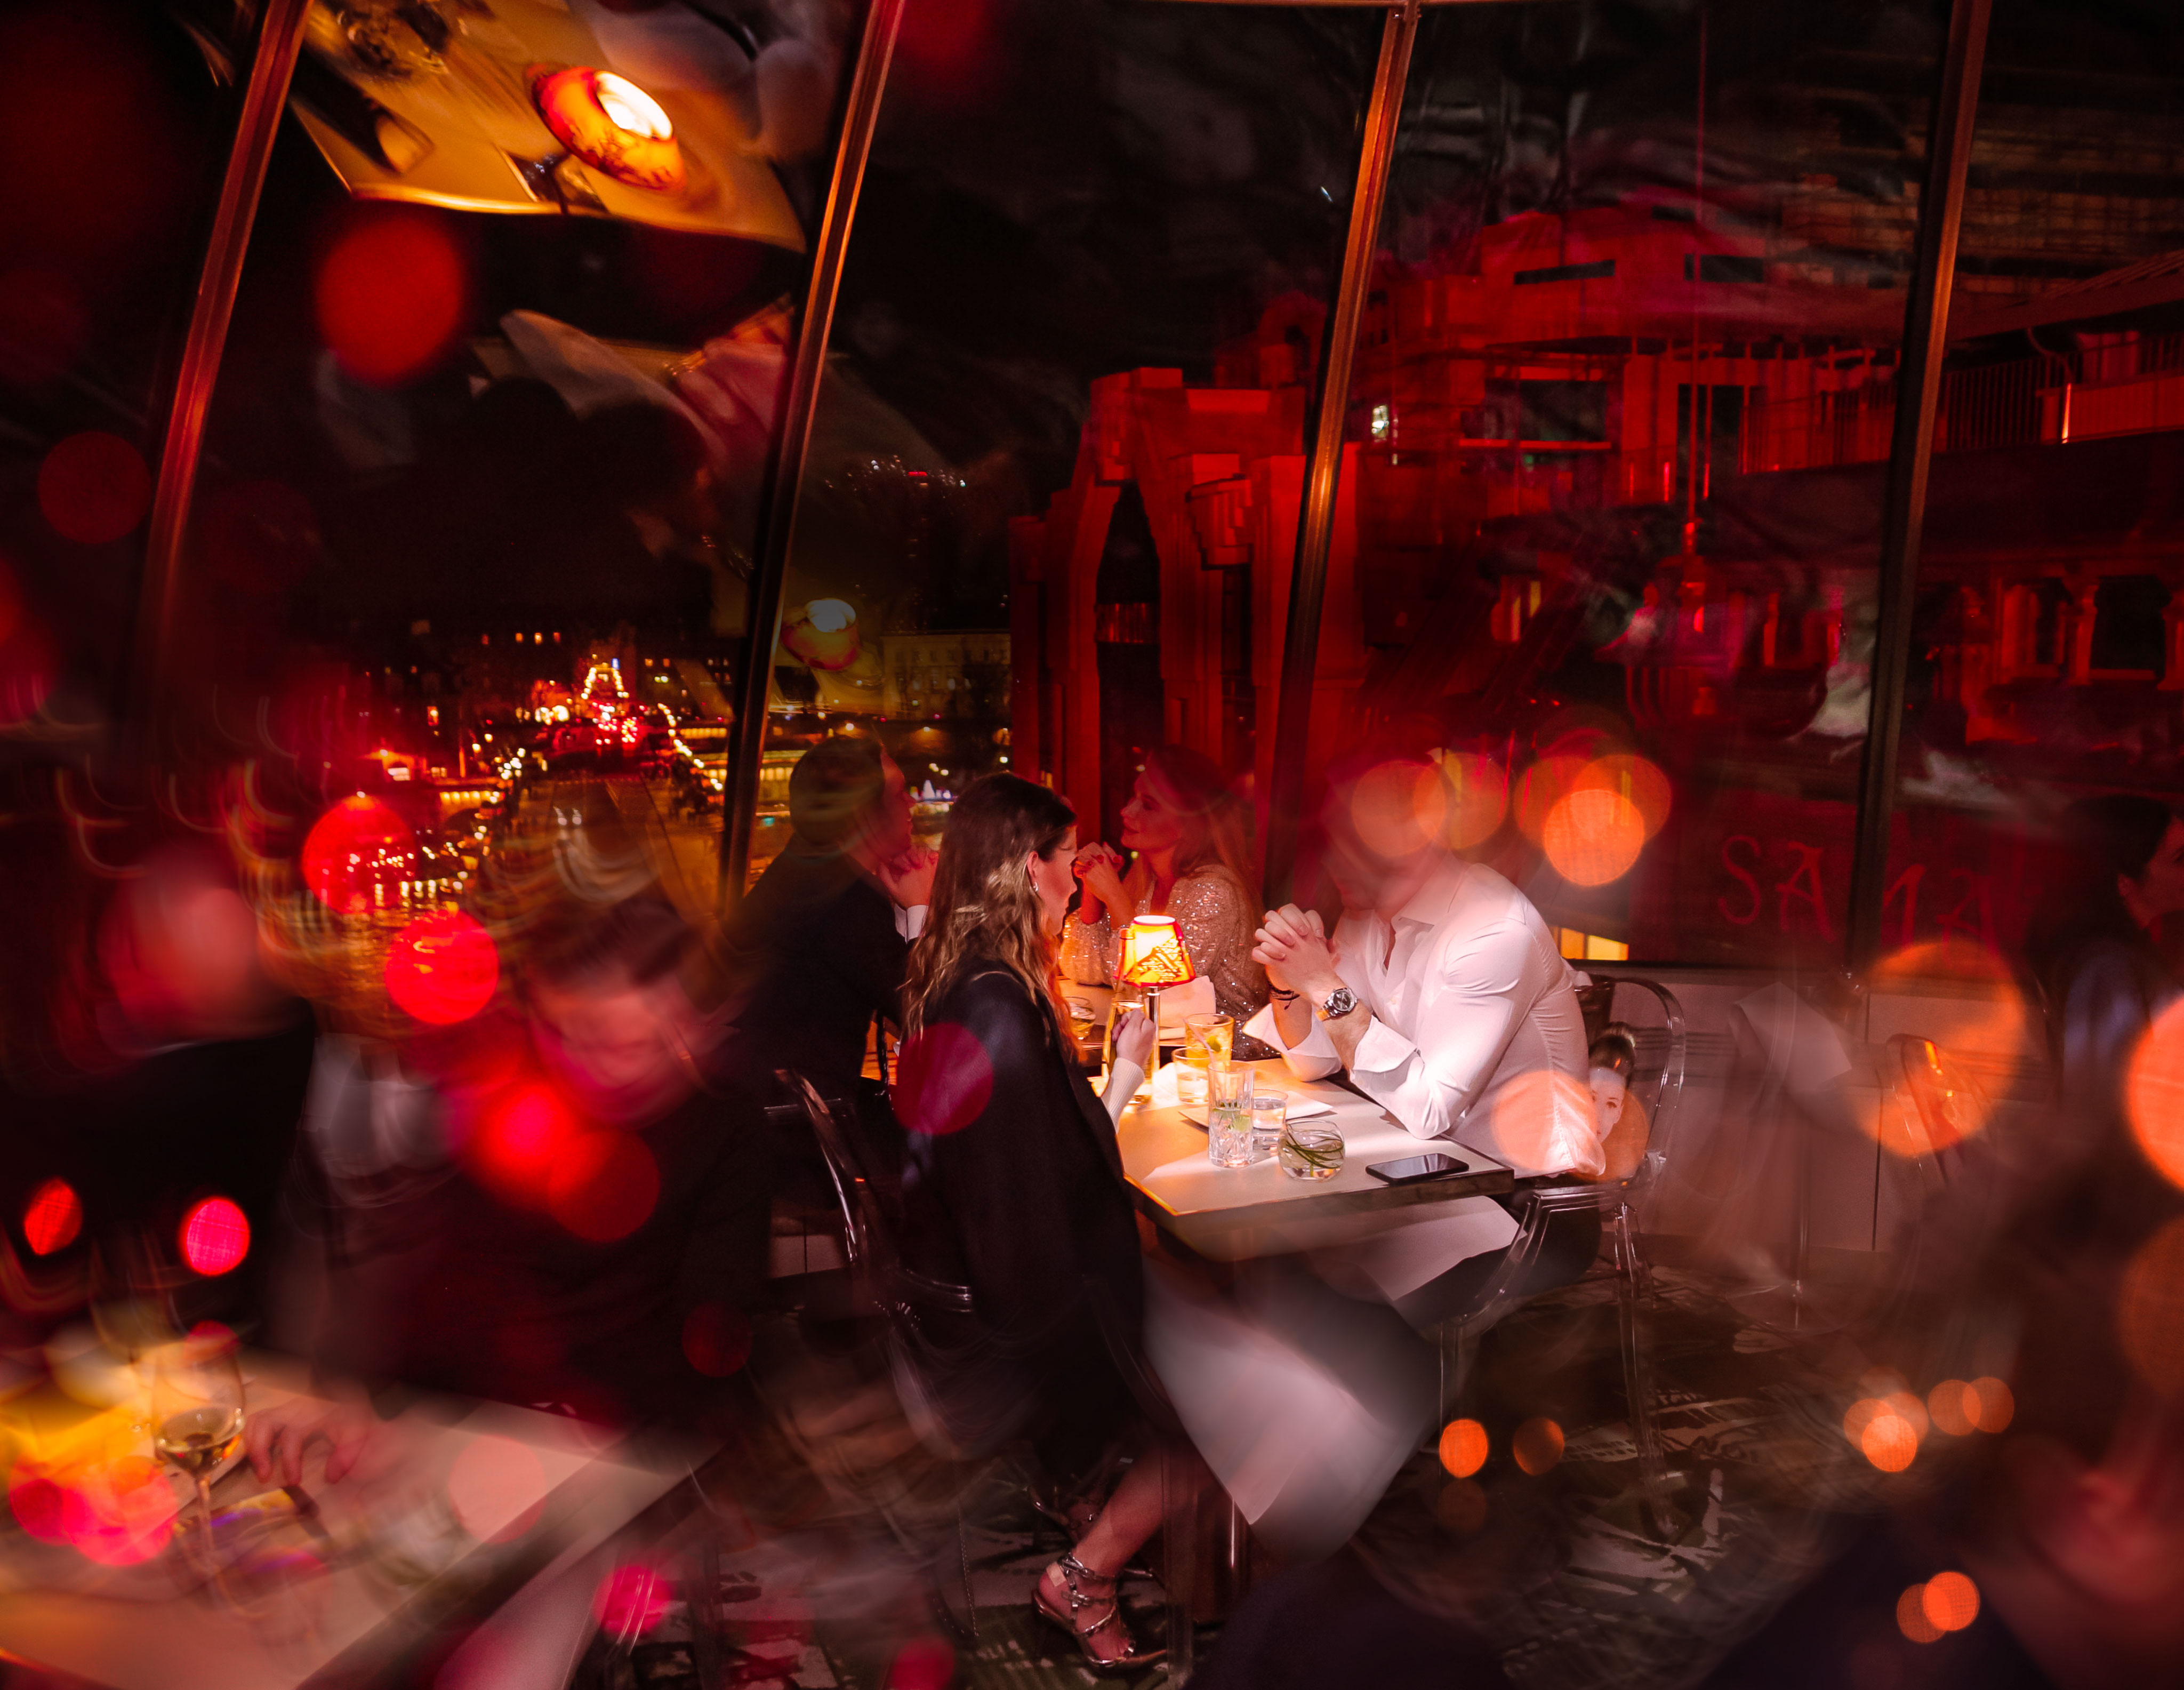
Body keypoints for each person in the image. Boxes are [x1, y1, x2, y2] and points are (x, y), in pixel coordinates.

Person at [893, 773, 1191, 1671]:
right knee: (1248, 1394)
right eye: (1066, 858)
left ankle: (1088, 1496)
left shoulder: (962, 978)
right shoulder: (1000, 1008)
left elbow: (1026, 1166)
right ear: (1028, 867)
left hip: (964, 1291)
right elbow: (1027, 1230)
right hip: (1010, 1329)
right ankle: (1086, 1570)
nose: (1075, 877)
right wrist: (1128, 1077)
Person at [1245, 749, 1603, 1325]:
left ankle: (1431, 1409)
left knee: (1317, 1293)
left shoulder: (1492, 931)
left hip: (1528, 1201)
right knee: (1271, 1258)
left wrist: (1323, 984)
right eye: (1333, 836)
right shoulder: (1367, 914)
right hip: (1427, 1172)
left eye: (1356, 836)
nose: (1336, 856)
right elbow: (1317, 1060)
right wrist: (1290, 986)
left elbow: (1430, 1106)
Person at [727, 736, 937, 1127]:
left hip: (769, 1104)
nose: (912, 803)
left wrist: (907, 907)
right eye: (897, 794)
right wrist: (920, 905)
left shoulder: (808, 871)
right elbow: (926, 1011)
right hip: (803, 1129)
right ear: (862, 813)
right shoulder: (839, 896)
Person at [1065, 743, 1269, 1038]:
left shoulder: (1214, 890)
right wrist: (1092, 888)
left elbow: (1156, 996)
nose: (1126, 811)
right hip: (1165, 1050)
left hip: (1222, 1061)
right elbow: (1080, 966)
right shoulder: (1147, 882)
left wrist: (1114, 896)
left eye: (1148, 805)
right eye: (1134, 797)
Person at [2023, 794, 2184, 1115]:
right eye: (2180, 859)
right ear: (2124, 881)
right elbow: (2114, 1101)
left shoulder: (2117, 958)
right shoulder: (2107, 969)